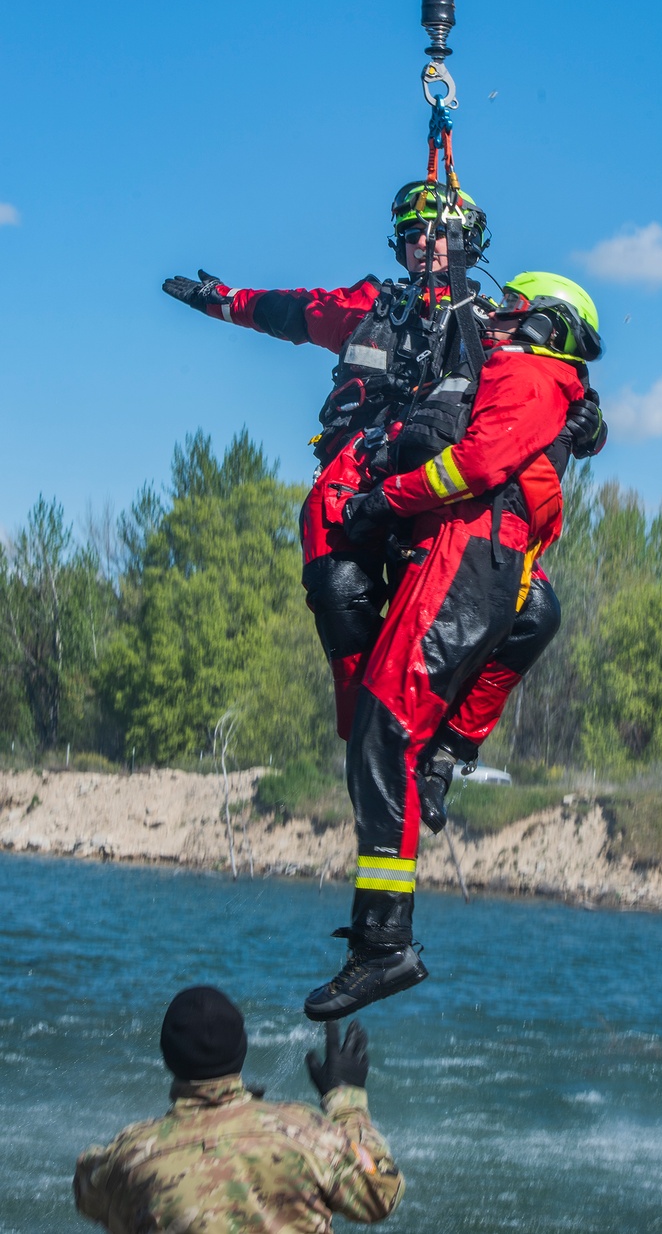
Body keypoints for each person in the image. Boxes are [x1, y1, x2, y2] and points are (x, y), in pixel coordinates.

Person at [162, 189, 604, 836]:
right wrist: (224, 300)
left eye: (437, 232)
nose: (424, 243)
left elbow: (548, 390)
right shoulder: (371, 307)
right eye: (412, 233)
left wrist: (588, 424)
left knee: (534, 612)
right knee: (340, 586)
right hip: (359, 473)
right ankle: (370, 745)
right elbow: (293, 311)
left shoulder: (491, 324)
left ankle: (446, 750)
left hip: (440, 494)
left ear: (469, 245)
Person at [303, 271, 605, 1022]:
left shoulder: (532, 374)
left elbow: (476, 464)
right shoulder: (528, 377)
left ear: (543, 324)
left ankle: (382, 947)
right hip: (470, 553)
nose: (495, 317)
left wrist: (383, 498)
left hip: (468, 554)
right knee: (388, 730)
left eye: (510, 309)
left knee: (383, 730)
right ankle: (436, 771)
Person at [73, 985, 403, 1232]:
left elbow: (88, 1192)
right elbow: (380, 1193)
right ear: (242, 1048)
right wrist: (346, 1102)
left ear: (167, 1057)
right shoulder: (305, 1133)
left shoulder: (129, 1157)